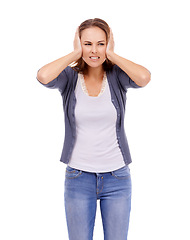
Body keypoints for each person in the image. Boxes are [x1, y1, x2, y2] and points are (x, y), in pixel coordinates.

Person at [37, 18, 151, 240]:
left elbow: (144, 78)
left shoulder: (117, 76)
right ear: (79, 43)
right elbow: (43, 76)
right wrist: (74, 54)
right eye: (87, 43)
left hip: (117, 177)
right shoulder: (69, 78)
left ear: (109, 44)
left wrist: (113, 54)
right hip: (78, 177)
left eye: (101, 43)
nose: (94, 50)